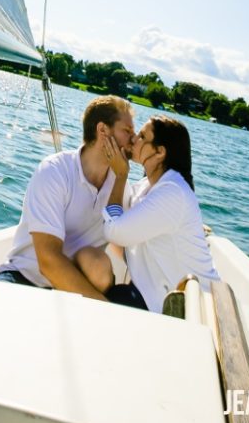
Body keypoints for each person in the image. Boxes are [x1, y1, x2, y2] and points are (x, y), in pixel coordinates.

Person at [0, 96, 135, 298]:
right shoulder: (55, 171)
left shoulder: (122, 187)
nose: (134, 139)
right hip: (25, 278)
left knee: (98, 263)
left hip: (77, 290)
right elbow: (48, 261)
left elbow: (126, 246)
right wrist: (104, 308)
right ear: (103, 130)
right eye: (127, 131)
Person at [76, 116, 218, 312]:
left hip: (188, 310)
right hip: (152, 296)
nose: (134, 138)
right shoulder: (149, 185)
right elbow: (122, 209)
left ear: (160, 152)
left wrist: (120, 175)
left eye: (142, 136)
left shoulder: (172, 192)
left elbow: (114, 231)